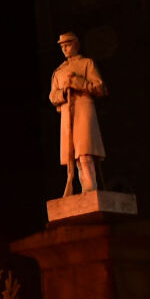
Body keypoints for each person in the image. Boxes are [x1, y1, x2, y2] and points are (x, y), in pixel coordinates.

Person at [49, 30, 108, 196]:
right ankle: (82, 187)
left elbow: (100, 87)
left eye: (68, 45)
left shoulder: (86, 64)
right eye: (63, 47)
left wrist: (78, 83)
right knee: (73, 155)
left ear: (75, 45)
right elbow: (52, 96)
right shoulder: (58, 71)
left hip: (84, 109)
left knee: (85, 150)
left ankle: (90, 187)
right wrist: (62, 93)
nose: (66, 49)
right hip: (67, 113)